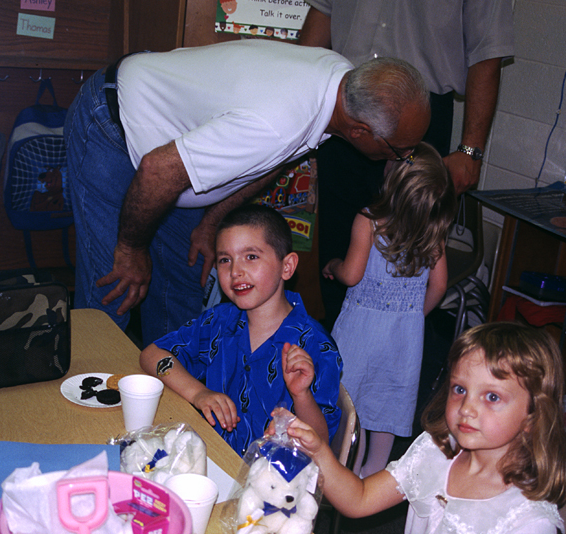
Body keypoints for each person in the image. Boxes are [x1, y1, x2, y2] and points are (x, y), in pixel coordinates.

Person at [65, 39, 431, 348]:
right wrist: (132, 248)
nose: (404, 158)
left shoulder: (341, 83)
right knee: (115, 288)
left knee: (181, 286)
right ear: (360, 132)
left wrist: (210, 222)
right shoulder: (278, 122)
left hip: (170, 148)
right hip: (114, 125)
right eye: (400, 151)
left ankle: (171, 413)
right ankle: (82, 416)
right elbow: (156, 172)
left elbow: (273, 161)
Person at [298, 0, 514, 331]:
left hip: (419, 112)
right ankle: (334, 354)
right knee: (337, 241)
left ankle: (391, 337)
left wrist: (470, 151)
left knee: (408, 259)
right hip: (346, 102)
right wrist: (298, 102)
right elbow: (324, 11)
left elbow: (488, 47)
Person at [274, 322, 566, 534]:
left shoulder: (528, 522)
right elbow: (359, 499)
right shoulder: (434, 451)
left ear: (533, 416)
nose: (467, 408)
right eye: (459, 389)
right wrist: (320, 452)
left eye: (492, 397)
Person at [138, 204, 342, 457]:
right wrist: (198, 392)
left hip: (270, 482)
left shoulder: (315, 345)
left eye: (251, 256)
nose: (235, 272)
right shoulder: (219, 321)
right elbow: (152, 354)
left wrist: (301, 396)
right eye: (225, 260)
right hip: (213, 458)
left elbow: (321, 445)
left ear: (287, 267)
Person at [321, 142, 456, 477]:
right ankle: (374, 474)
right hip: (404, 336)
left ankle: (347, 474)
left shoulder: (369, 220)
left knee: (353, 402)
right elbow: (439, 286)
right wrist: (412, 315)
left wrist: (333, 265)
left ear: (390, 175)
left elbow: (351, 275)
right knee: (388, 402)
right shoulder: (432, 231)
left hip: (361, 331)